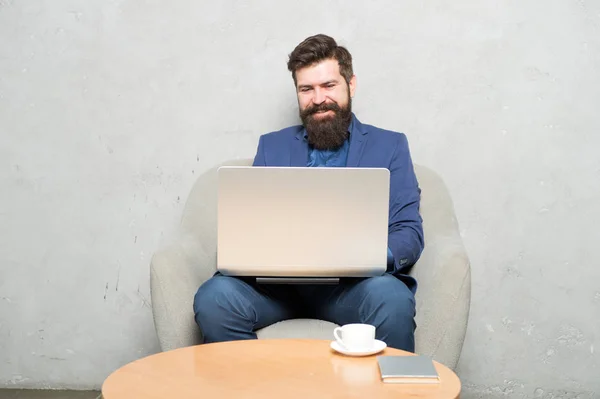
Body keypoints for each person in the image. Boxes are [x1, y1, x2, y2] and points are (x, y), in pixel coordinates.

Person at [193, 34, 424, 352]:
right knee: (214, 298)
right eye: (307, 89)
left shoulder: (390, 145)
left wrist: (366, 256)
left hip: (354, 289)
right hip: (276, 290)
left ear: (351, 85)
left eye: (329, 85)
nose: (318, 99)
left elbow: (408, 231)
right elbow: (253, 227)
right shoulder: (272, 146)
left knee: (393, 298)